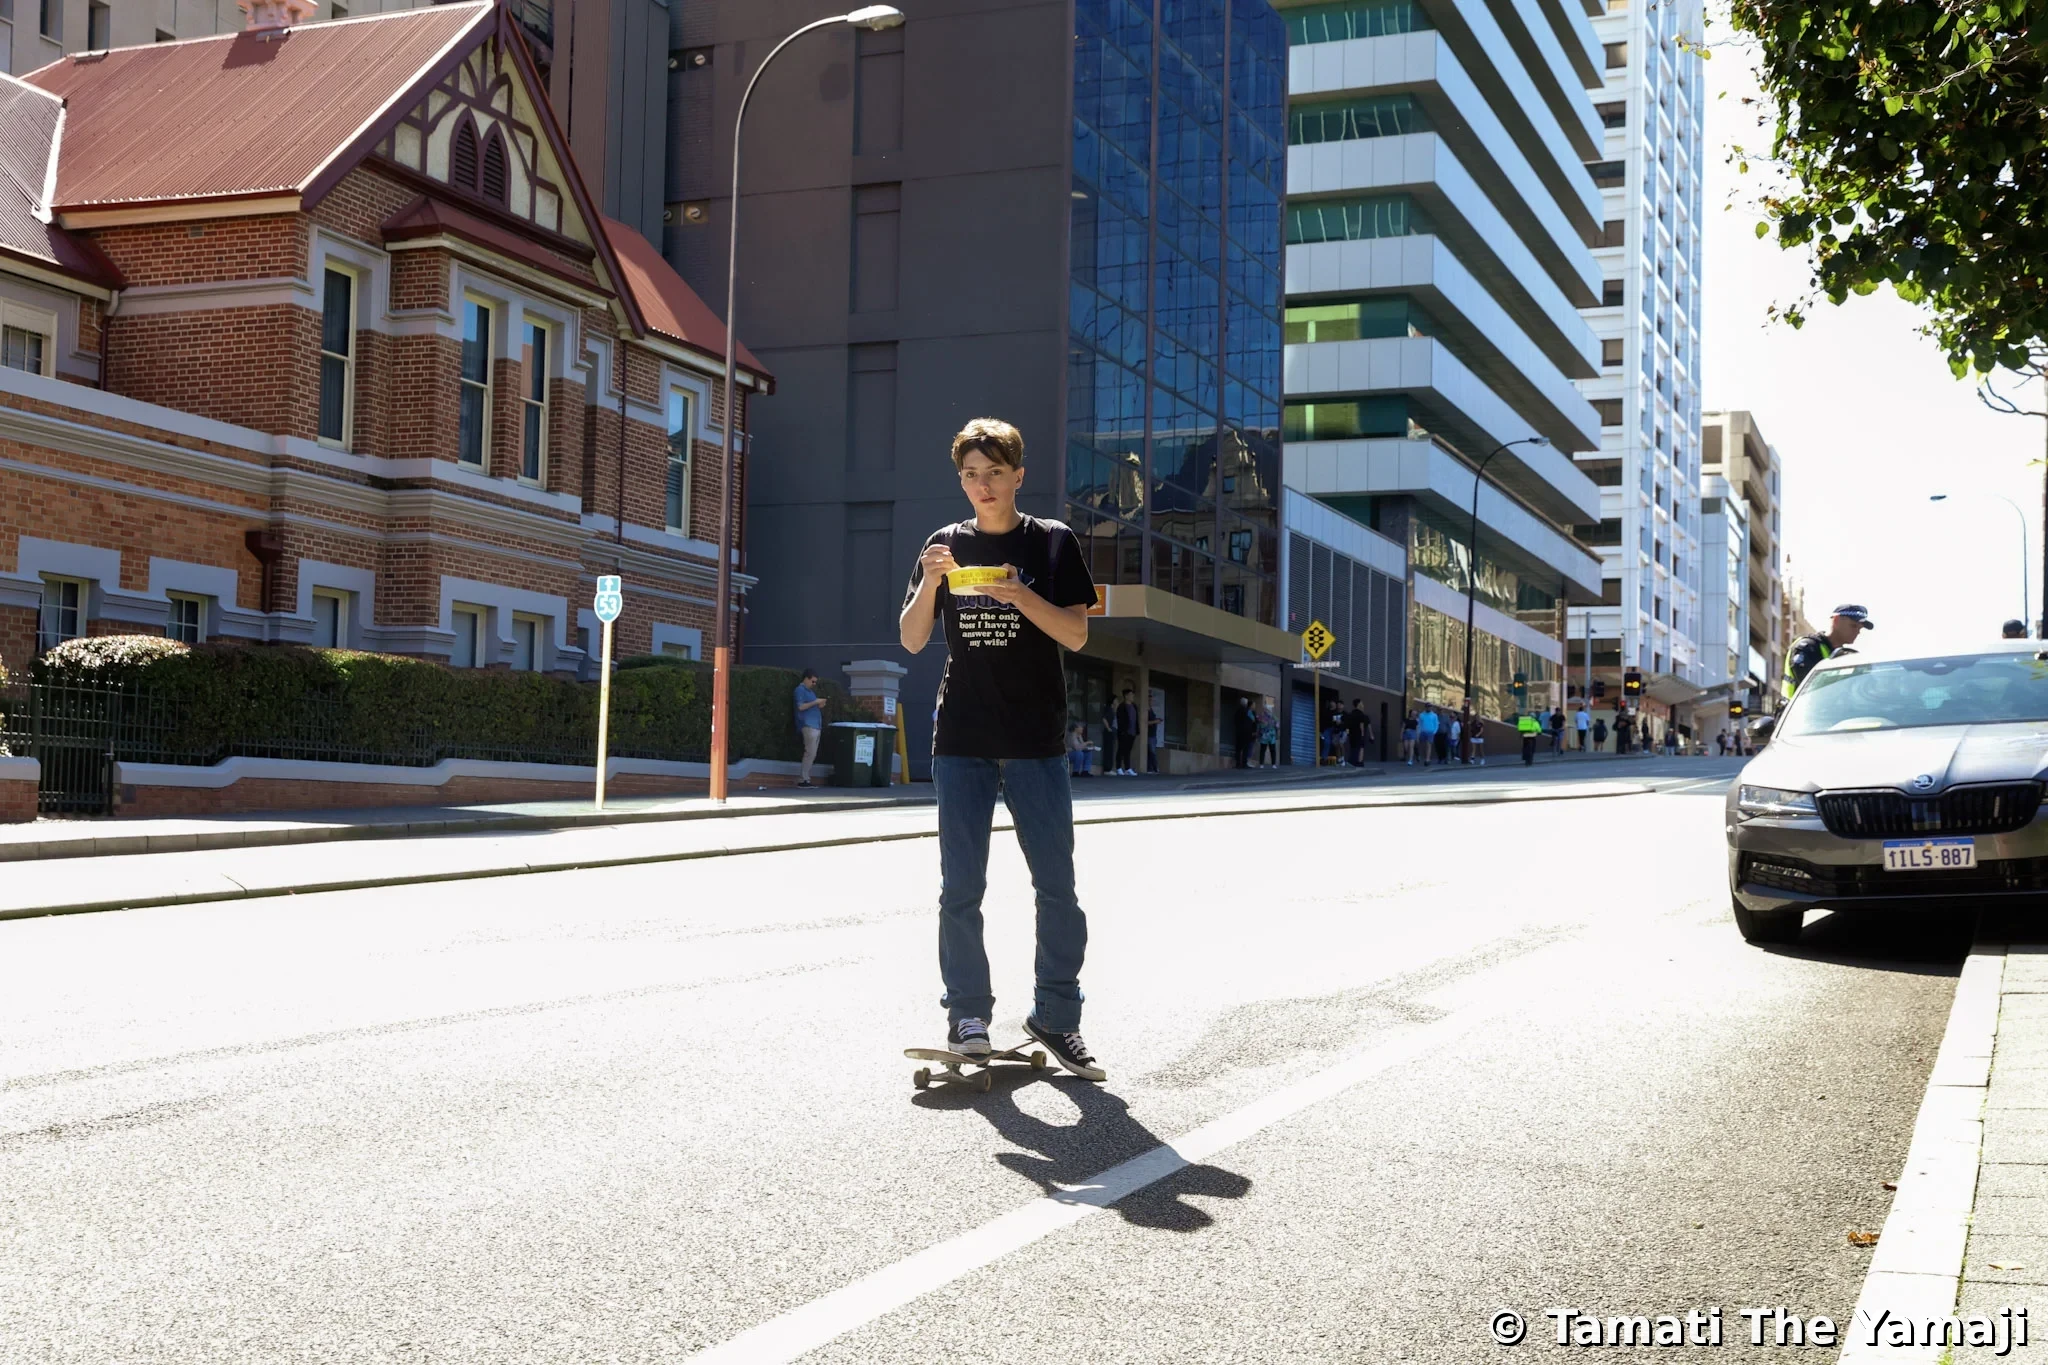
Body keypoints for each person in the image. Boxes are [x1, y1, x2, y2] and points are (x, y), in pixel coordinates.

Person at [898, 416, 1104, 1080]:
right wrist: (930, 583)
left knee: (1057, 889)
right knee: (960, 889)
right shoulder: (944, 545)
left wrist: (1020, 594)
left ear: (1018, 475)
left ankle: (1057, 1016)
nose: (982, 485)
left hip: (1036, 741)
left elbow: (1076, 634)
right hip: (962, 739)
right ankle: (968, 1016)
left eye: (993, 473)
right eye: (970, 475)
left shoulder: (1053, 542)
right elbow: (911, 638)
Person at [1784, 604, 1874, 701]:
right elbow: (1813, 685)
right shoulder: (1807, 647)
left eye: (1860, 628)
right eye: (1853, 626)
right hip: (1801, 709)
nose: (1858, 632)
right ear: (1836, 620)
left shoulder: (1844, 656)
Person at [792, 667, 826, 787]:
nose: (814, 684)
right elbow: (800, 707)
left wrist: (819, 704)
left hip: (815, 725)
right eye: (813, 681)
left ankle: (805, 778)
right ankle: (803, 779)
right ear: (806, 679)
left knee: (812, 753)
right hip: (808, 725)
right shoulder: (800, 690)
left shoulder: (810, 692)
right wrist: (815, 702)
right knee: (810, 752)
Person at [1113, 687, 1141, 776]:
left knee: (1128, 751)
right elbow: (1120, 720)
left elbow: (1136, 719)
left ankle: (1127, 768)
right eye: (1130, 695)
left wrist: (1137, 730)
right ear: (1126, 696)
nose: (1132, 696)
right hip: (1124, 732)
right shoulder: (1122, 706)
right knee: (1121, 749)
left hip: (1132, 732)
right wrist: (1122, 731)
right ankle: (1118, 767)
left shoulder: (1134, 706)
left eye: (1133, 695)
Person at [1345, 699, 1373, 767]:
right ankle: (1359, 762)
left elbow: (1347, 726)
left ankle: (1353, 762)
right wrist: (1362, 735)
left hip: (1351, 735)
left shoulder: (1350, 714)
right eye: (1362, 703)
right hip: (1359, 735)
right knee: (1360, 748)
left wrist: (1347, 734)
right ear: (1359, 704)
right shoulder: (1362, 715)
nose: (1363, 705)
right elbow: (1361, 726)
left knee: (1353, 748)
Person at [1232, 695, 1257, 769]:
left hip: (1239, 732)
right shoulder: (1248, 712)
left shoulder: (1238, 711)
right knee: (1245, 748)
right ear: (1246, 704)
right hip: (1246, 733)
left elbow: (1235, 721)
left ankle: (1238, 764)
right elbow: (1253, 721)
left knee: (1238, 748)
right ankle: (1244, 763)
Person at [1255, 698, 1279, 768]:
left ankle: (1271, 764)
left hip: (1269, 736)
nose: (1269, 710)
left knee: (1270, 750)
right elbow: (1259, 725)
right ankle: (1264, 764)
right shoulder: (1263, 716)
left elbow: (1277, 726)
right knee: (1265, 750)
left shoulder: (1273, 717)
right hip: (1266, 735)